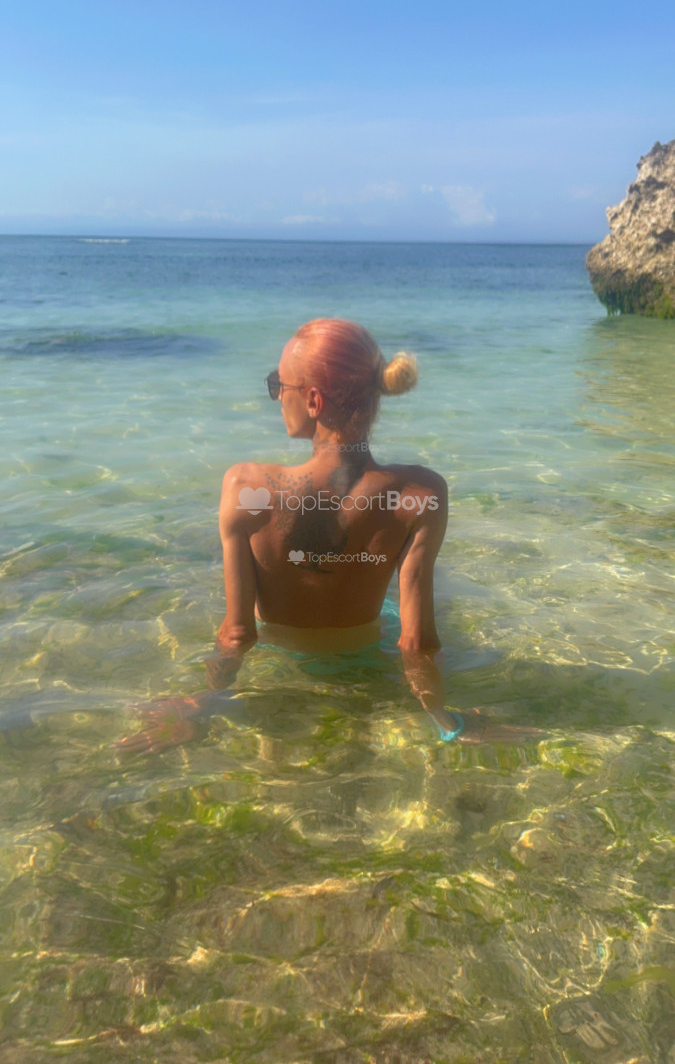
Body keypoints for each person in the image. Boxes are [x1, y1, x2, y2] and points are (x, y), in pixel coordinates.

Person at [117, 318, 539, 753]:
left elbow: (237, 635)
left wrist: (201, 703)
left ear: (314, 400)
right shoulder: (421, 493)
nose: (276, 396)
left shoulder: (245, 486)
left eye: (278, 385)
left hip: (284, 666)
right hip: (364, 665)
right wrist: (447, 722)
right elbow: (416, 643)